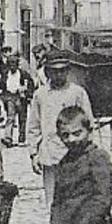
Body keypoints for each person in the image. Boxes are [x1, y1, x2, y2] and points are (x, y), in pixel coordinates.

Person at [27, 51, 92, 207]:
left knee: (75, 199)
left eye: (62, 70)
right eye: (54, 71)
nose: (58, 75)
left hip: (74, 155)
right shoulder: (40, 95)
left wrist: (88, 152)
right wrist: (34, 154)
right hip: (50, 155)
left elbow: (89, 124)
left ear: (68, 71)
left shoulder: (77, 93)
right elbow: (34, 126)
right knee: (52, 202)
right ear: (47, 72)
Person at [0, 48, 37, 145]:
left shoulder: (23, 74)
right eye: (10, 64)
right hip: (10, 97)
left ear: (17, 65)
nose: (12, 67)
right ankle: (8, 138)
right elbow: (2, 86)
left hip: (21, 98)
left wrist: (27, 92)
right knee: (10, 117)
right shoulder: (5, 74)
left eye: (14, 64)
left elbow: (31, 84)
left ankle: (21, 138)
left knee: (22, 118)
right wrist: (4, 96)